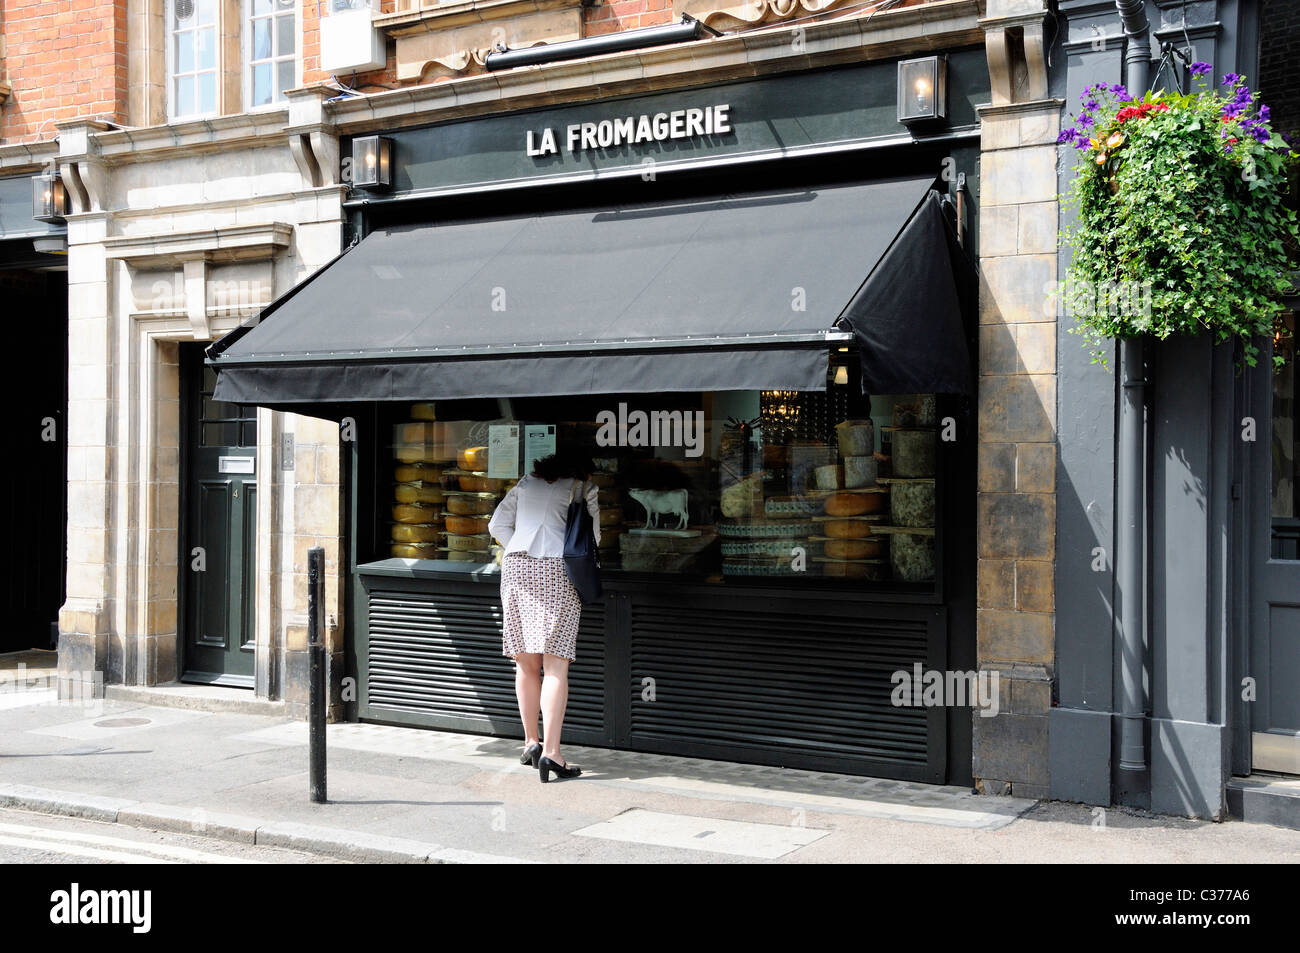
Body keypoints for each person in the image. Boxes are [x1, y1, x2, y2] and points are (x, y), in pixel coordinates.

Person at [488, 450, 600, 783]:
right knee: (555, 664)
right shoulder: (582, 488)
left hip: (517, 565)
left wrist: (519, 545)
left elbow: (496, 524)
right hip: (557, 568)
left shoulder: (526, 483)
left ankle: (530, 743)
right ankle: (553, 754)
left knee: (525, 661)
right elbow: (593, 539)